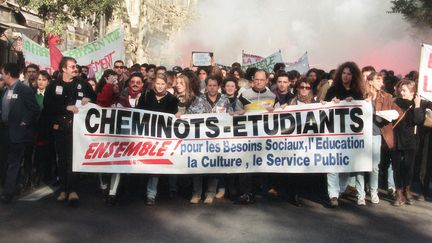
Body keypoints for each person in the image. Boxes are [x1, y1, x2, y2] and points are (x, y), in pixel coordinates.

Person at [43, 56, 96, 206]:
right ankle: (63, 189)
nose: (75, 69)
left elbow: (95, 97)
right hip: (60, 128)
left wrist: (88, 99)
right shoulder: (53, 85)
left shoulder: (82, 83)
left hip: (78, 129)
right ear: (64, 69)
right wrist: (65, 108)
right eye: (72, 66)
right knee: (62, 159)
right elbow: (48, 106)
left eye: (76, 66)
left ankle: (73, 190)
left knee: (74, 159)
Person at [324, 61, 365, 207]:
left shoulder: (357, 93)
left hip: (349, 136)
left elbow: (362, 111)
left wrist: (353, 102)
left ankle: (340, 190)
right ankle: (333, 195)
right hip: (333, 133)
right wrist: (333, 102)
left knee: (346, 167)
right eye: (343, 73)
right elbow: (323, 107)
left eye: (349, 74)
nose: (345, 76)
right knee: (332, 165)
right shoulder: (333, 89)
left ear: (353, 76)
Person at [136, 73, 179, 206]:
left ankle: (166, 190)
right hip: (147, 136)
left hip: (165, 137)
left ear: (167, 85)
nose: (160, 87)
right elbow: (137, 114)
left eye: (162, 84)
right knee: (151, 165)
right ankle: (149, 193)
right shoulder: (145, 95)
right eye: (158, 83)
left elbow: (175, 117)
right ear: (154, 83)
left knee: (165, 163)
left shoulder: (172, 99)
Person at [0, 63, 40, 204]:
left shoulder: (24, 89)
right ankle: (13, 186)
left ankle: (8, 192)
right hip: (5, 131)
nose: (2, 75)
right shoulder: (6, 90)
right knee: (5, 160)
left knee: (14, 162)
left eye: (3, 73)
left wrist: (24, 122)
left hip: (18, 132)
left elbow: (34, 109)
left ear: (9, 74)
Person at [190, 75, 231, 204]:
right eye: (209, 85)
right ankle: (196, 194)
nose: (212, 88)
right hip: (201, 139)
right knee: (198, 167)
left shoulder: (225, 100)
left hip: (218, 140)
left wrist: (236, 113)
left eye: (214, 85)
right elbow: (190, 114)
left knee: (214, 167)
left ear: (219, 86)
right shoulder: (198, 99)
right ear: (206, 86)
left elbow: (230, 115)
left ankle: (210, 194)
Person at [361, 71, 397, 205]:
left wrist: (389, 114)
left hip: (376, 133)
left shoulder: (386, 96)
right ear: (370, 82)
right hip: (362, 134)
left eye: (381, 81)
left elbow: (396, 111)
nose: (381, 83)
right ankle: (361, 190)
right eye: (378, 80)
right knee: (361, 163)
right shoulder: (362, 95)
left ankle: (374, 190)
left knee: (375, 165)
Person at [392, 79, 426, 206]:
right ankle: (399, 193)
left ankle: (407, 189)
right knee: (396, 167)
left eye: (405, 90)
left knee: (409, 167)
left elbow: (418, 121)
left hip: (410, 139)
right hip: (396, 138)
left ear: (412, 92)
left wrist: (417, 105)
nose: (402, 92)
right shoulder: (396, 101)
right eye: (401, 89)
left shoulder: (417, 104)